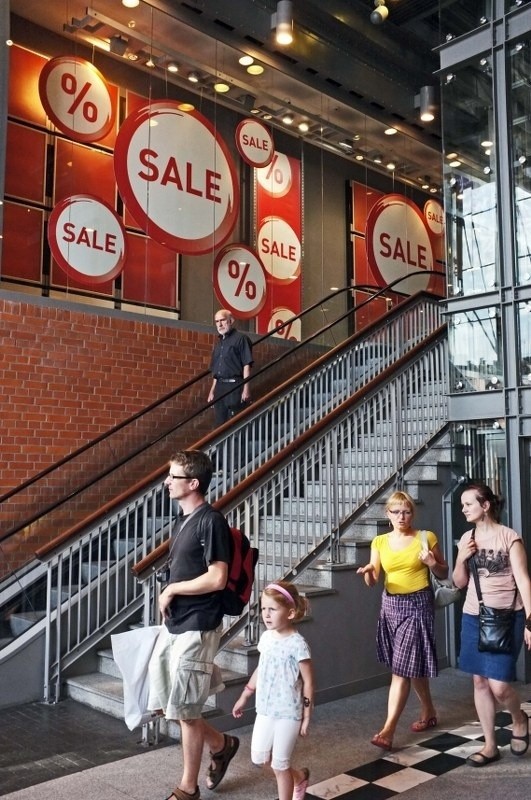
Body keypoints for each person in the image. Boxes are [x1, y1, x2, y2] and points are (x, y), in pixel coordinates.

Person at [147, 449, 239, 800]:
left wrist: (172, 588)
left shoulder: (210, 521)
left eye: (173, 477)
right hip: (177, 624)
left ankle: (188, 788)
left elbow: (218, 577)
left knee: (185, 710)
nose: (167, 482)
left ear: (194, 483)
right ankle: (222, 744)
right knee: (174, 706)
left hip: (199, 623)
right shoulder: (182, 520)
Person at [357, 490, 449, 750]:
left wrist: (432, 562)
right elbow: (373, 577)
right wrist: (367, 572)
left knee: (401, 669)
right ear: (388, 514)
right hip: (390, 605)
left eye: (406, 511)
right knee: (411, 664)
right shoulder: (379, 542)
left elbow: (444, 572)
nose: (401, 516)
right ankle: (429, 711)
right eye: (396, 512)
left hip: (418, 604)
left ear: (412, 513)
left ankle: (388, 729)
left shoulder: (425, 537)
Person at [452, 482, 531, 767]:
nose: (463, 509)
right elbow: (459, 583)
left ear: (485, 506)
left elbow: (523, 581)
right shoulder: (466, 538)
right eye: (462, 505)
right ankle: (490, 745)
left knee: (499, 686)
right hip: (474, 616)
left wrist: (530, 622)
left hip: (508, 617)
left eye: (468, 504)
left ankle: (519, 718)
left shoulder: (510, 538)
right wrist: (461, 556)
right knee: (479, 681)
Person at [232, 580, 314, 800]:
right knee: (261, 758)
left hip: (289, 713)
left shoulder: (298, 644)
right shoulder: (266, 638)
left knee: (279, 764)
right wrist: (245, 695)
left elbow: (308, 682)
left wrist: (306, 715)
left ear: (290, 612)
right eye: (263, 608)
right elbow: (262, 668)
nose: (266, 615)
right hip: (266, 709)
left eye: (272, 609)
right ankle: (299, 777)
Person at [207, 309, 253, 426]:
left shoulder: (241, 339)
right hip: (220, 388)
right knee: (219, 423)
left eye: (222, 320)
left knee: (235, 422)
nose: (219, 324)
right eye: (217, 321)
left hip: (235, 385)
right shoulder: (219, 344)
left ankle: (238, 444)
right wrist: (212, 391)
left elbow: (246, 365)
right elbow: (217, 371)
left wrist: (246, 388)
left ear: (231, 320)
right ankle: (222, 445)